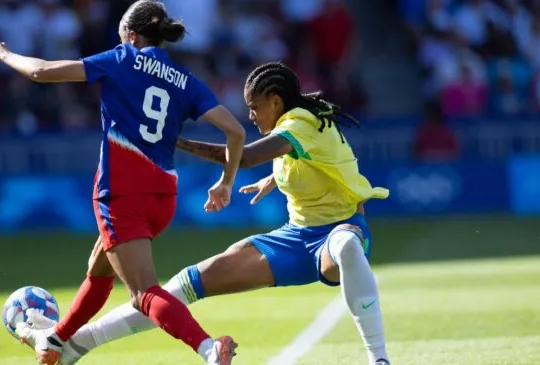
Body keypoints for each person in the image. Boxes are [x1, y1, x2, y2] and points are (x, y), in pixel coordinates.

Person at [27, 62, 392, 365]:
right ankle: (78, 345)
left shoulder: (300, 124)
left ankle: (379, 359)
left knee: (345, 245)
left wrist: (177, 141)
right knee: (182, 285)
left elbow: (244, 156)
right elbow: (318, 163)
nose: (250, 115)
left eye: (255, 107)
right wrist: (274, 180)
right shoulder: (295, 127)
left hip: (339, 230)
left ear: (276, 101)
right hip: (293, 239)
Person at [0, 1, 246, 364]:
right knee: (100, 266)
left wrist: (3, 53)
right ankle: (56, 343)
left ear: (131, 35)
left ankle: (208, 348)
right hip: (161, 199)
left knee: (143, 293)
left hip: (122, 193)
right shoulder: (185, 79)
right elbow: (235, 131)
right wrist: (225, 183)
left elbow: (42, 71)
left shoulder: (122, 58)